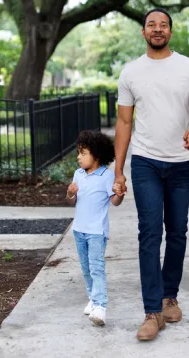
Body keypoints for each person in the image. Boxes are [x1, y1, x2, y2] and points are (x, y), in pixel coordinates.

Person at [113, 8, 189, 341]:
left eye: (163, 25)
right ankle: (152, 311)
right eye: (152, 25)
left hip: (182, 163)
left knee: (178, 230)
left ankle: (170, 296)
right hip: (145, 162)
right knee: (149, 231)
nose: (158, 29)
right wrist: (119, 171)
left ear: (171, 31)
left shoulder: (188, 68)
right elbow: (124, 123)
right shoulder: (130, 72)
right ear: (143, 32)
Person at [66, 130, 124, 327]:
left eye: (83, 153)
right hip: (79, 230)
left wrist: (120, 194)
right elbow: (72, 200)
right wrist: (70, 193)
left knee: (97, 268)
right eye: (79, 153)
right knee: (86, 268)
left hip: (97, 232)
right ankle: (92, 298)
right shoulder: (78, 174)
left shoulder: (106, 177)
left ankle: (100, 307)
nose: (78, 157)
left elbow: (115, 201)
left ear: (96, 155)